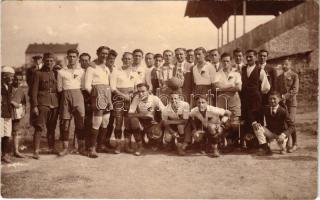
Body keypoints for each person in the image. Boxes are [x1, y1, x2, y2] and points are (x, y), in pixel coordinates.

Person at [84, 46, 113, 158]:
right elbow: (87, 86)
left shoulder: (106, 67)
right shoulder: (91, 67)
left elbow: (108, 85)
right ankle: (92, 148)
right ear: (97, 53)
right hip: (97, 94)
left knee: (105, 120)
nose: (104, 55)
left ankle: (100, 146)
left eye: (106, 53)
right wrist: (96, 96)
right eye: (102, 53)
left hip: (106, 93)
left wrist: (108, 98)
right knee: (97, 121)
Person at [57, 49, 85, 156]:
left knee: (80, 123)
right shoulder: (61, 71)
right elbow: (59, 89)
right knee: (65, 123)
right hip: (65, 96)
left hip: (78, 96)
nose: (72, 58)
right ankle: (65, 148)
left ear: (77, 58)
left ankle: (81, 148)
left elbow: (83, 87)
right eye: (70, 56)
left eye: (74, 56)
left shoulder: (82, 71)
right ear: (67, 58)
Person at [31, 52, 60, 159]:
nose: (49, 63)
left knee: (52, 128)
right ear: (44, 61)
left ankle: (51, 148)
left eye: (51, 61)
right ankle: (36, 151)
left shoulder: (57, 73)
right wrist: (34, 106)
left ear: (54, 62)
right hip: (43, 103)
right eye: (47, 61)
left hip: (55, 104)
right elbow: (33, 91)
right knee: (39, 127)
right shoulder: (38, 73)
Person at [240, 49, 270, 149]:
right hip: (244, 100)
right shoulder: (243, 70)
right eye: (247, 57)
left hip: (256, 100)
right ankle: (250, 144)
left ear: (255, 57)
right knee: (247, 121)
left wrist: (257, 93)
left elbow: (266, 87)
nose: (248, 58)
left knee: (257, 122)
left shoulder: (260, 70)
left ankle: (262, 145)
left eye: (251, 57)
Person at [110, 52, 137, 154]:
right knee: (118, 123)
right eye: (125, 59)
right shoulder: (115, 71)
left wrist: (131, 94)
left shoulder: (134, 72)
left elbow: (137, 87)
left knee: (128, 124)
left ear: (132, 60)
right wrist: (123, 95)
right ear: (122, 59)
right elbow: (113, 88)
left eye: (129, 59)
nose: (127, 61)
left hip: (130, 100)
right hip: (118, 99)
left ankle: (127, 145)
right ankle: (118, 145)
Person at [252, 91, 295, 155]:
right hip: (271, 133)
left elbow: (292, 126)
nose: (272, 101)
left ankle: (283, 147)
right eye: (270, 99)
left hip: (281, 134)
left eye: (274, 99)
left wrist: (284, 134)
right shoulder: (266, 108)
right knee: (257, 127)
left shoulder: (283, 111)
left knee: (282, 150)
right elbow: (254, 114)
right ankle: (265, 148)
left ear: (279, 99)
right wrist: (255, 122)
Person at [128, 83, 165, 155]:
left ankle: (157, 142)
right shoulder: (136, 98)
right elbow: (130, 114)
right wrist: (142, 115)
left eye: (143, 91)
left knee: (155, 134)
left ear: (148, 91)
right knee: (133, 121)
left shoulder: (154, 98)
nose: (141, 94)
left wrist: (159, 126)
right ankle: (140, 145)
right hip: (141, 120)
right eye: (139, 91)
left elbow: (165, 112)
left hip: (152, 122)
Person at [214, 52, 242, 149]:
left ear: (231, 62)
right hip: (221, 100)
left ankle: (232, 142)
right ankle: (222, 141)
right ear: (221, 62)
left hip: (234, 99)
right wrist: (231, 85)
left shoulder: (236, 73)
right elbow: (216, 86)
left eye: (227, 61)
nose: (225, 63)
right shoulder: (217, 74)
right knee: (222, 121)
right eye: (224, 61)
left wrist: (223, 88)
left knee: (235, 123)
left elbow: (238, 88)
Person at [275, 58, 299, 152]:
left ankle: (295, 144)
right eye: (283, 64)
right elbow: (277, 90)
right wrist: (278, 99)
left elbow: (294, 90)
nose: (284, 66)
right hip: (282, 104)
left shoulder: (294, 75)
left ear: (290, 65)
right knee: (284, 124)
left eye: (286, 64)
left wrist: (284, 97)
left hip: (291, 103)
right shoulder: (279, 77)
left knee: (291, 122)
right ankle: (286, 145)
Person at [11, 73, 28, 158]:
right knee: (4, 132)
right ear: (13, 79)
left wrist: (23, 111)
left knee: (15, 131)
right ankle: (4, 152)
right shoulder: (8, 88)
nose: (17, 81)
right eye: (16, 79)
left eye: (20, 80)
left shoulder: (21, 90)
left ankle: (16, 151)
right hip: (6, 113)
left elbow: (24, 102)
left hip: (16, 114)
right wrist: (12, 102)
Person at [1, 66, 16, 163]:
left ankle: (5, 154)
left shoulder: (9, 86)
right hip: (1, 113)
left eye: (12, 76)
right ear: (3, 76)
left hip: (7, 113)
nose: (12, 78)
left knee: (7, 134)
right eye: (10, 76)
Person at [105, 49, 119, 151]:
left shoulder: (115, 69)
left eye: (113, 59)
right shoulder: (101, 68)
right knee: (102, 120)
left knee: (111, 121)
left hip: (113, 97)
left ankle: (106, 141)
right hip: (103, 96)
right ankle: (98, 142)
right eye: (109, 58)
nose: (111, 60)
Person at [79, 53, 93, 151]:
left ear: (89, 61)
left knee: (89, 120)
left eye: (86, 60)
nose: (84, 62)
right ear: (79, 61)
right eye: (82, 60)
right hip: (80, 94)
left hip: (90, 94)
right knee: (80, 120)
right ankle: (80, 144)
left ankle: (89, 144)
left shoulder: (91, 69)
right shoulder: (78, 71)